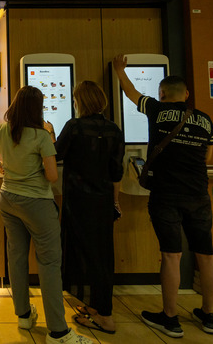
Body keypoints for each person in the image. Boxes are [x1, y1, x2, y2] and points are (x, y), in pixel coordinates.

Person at [0, 85, 92, 344]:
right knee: (49, 263)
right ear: (38, 109)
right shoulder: (41, 136)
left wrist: (0, 165)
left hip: (7, 198)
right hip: (36, 202)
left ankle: (24, 315)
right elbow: (51, 176)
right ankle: (59, 332)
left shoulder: (3, 129)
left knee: (16, 257)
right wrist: (49, 136)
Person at [112, 54, 213, 338]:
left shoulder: (157, 110)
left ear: (161, 94)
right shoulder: (205, 121)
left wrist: (120, 70)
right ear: (186, 94)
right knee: (206, 256)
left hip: (166, 195)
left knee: (171, 256)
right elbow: (206, 156)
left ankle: (170, 318)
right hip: (198, 195)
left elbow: (131, 92)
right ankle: (208, 316)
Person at [44, 81, 124, 335]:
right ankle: (98, 307)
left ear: (81, 102)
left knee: (84, 256)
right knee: (102, 256)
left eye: (76, 100)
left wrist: (48, 134)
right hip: (102, 203)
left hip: (78, 202)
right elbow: (116, 172)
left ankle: (105, 317)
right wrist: (115, 202)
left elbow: (55, 155)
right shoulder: (114, 130)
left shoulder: (75, 127)